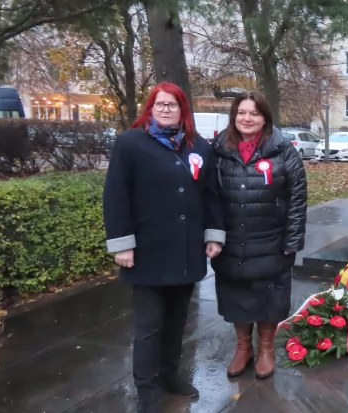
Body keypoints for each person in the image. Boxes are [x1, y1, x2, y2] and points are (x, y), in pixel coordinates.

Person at [103, 82, 224, 413]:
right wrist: (122, 244)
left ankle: (171, 375)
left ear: (182, 109)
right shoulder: (131, 143)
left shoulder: (198, 145)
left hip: (186, 251)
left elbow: (210, 193)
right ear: (150, 108)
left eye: (173, 104)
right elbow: (116, 195)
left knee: (177, 321)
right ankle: (146, 388)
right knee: (149, 324)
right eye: (160, 104)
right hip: (148, 251)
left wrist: (213, 234)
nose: (166, 109)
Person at [211, 90, 307, 380]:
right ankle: (243, 348)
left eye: (254, 113)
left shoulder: (282, 150)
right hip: (231, 240)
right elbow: (208, 194)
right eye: (241, 112)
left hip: (271, 239)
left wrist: (292, 240)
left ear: (265, 117)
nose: (247, 118)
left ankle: (265, 348)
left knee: (269, 296)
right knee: (236, 295)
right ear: (233, 116)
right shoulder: (218, 149)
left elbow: (297, 197)